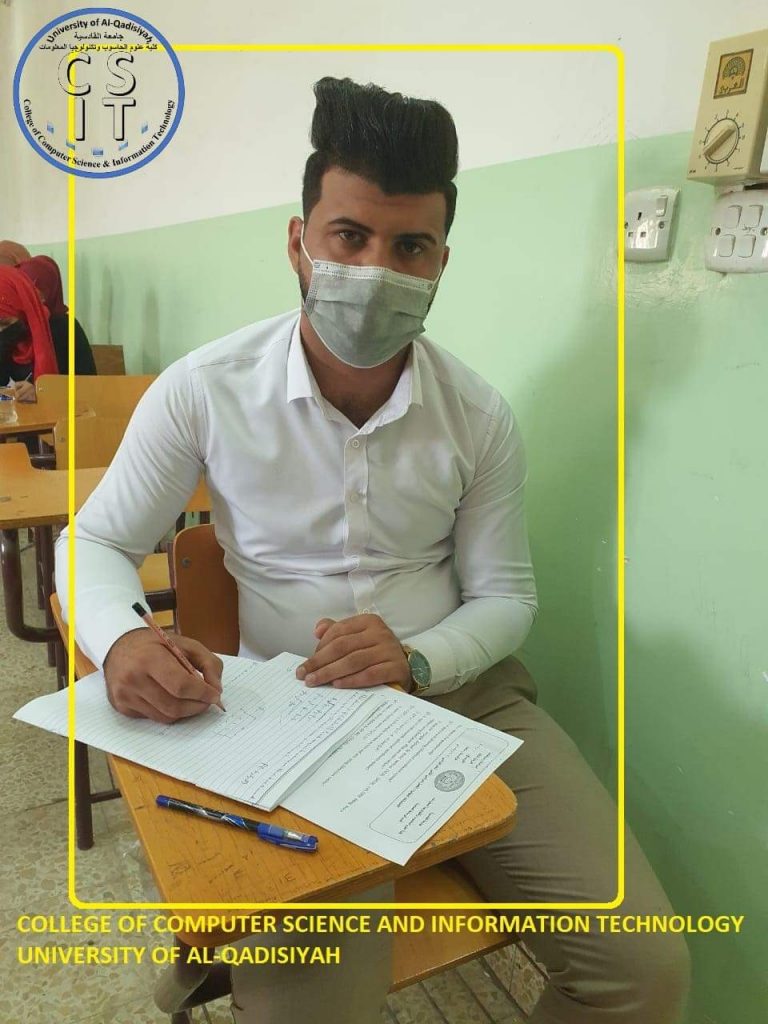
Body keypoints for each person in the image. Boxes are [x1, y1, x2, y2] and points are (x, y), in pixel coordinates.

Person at [55, 77, 690, 1024]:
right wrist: (122, 640)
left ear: (441, 263)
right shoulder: (204, 389)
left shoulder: (478, 415)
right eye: (349, 236)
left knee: (642, 970)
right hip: (282, 713)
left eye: (410, 247)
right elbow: (97, 540)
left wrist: (419, 659)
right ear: (298, 242)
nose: (376, 269)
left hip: (462, 697)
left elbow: (507, 597)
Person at [18, 254, 97, 375]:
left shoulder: (65, 327)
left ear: (49, 292)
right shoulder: (13, 324)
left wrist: (41, 386)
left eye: (33, 291)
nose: (26, 297)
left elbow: (86, 378)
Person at [0, 265, 59, 402]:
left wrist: (42, 393)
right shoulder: (6, 337)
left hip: (54, 414)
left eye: (4, 323)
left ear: (22, 310)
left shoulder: (61, 329)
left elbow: (88, 390)